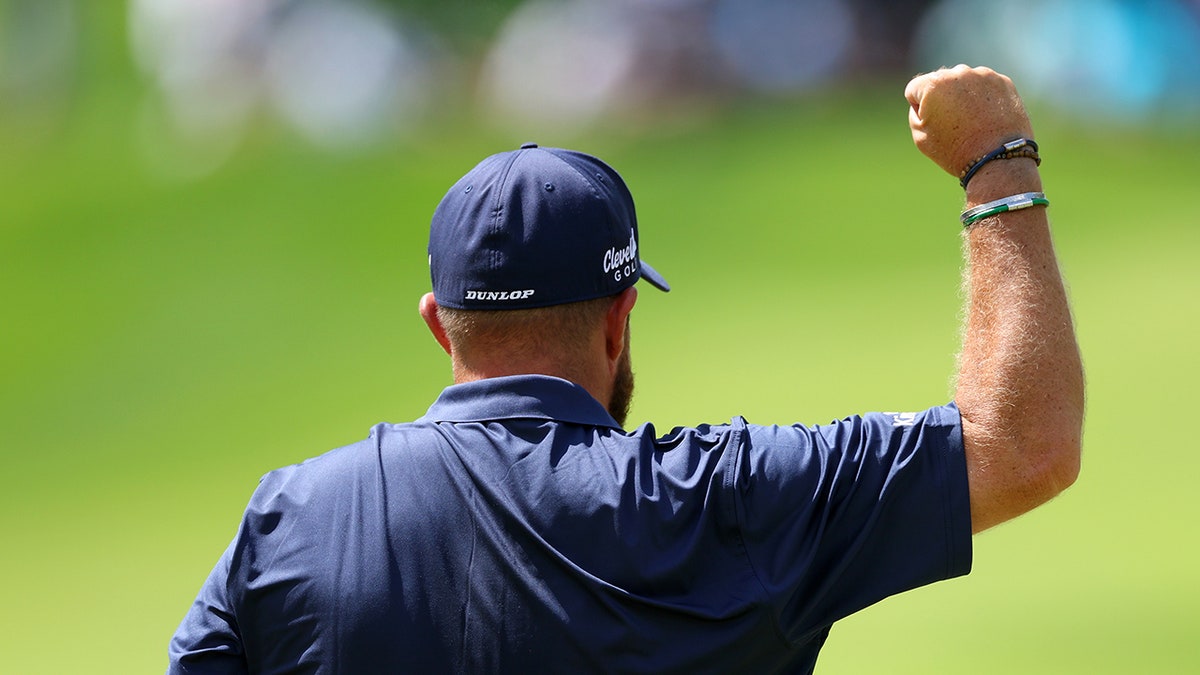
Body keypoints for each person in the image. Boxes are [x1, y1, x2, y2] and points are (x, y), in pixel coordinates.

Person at [168, 65, 1083, 674]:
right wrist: (995, 163)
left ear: (439, 328)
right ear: (620, 318)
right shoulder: (723, 505)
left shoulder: (287, 520)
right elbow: (1024, 445)